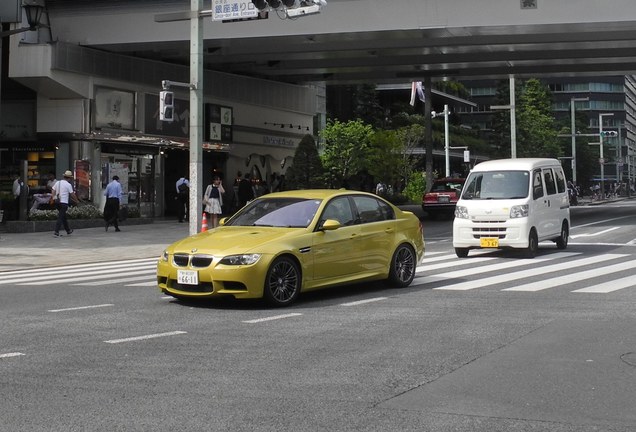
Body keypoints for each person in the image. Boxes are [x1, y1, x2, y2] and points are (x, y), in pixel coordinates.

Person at [51, 170, 79, 237]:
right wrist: (76, 201)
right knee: (61, 217)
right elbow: (72, 194)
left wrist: (54, 197)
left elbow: (53, 190)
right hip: (64, 203)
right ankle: (56, 231)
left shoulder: (58, 182)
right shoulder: (68, 185)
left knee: (63, 217)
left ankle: (68, 230)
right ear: (69, 178)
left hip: (57, 202)